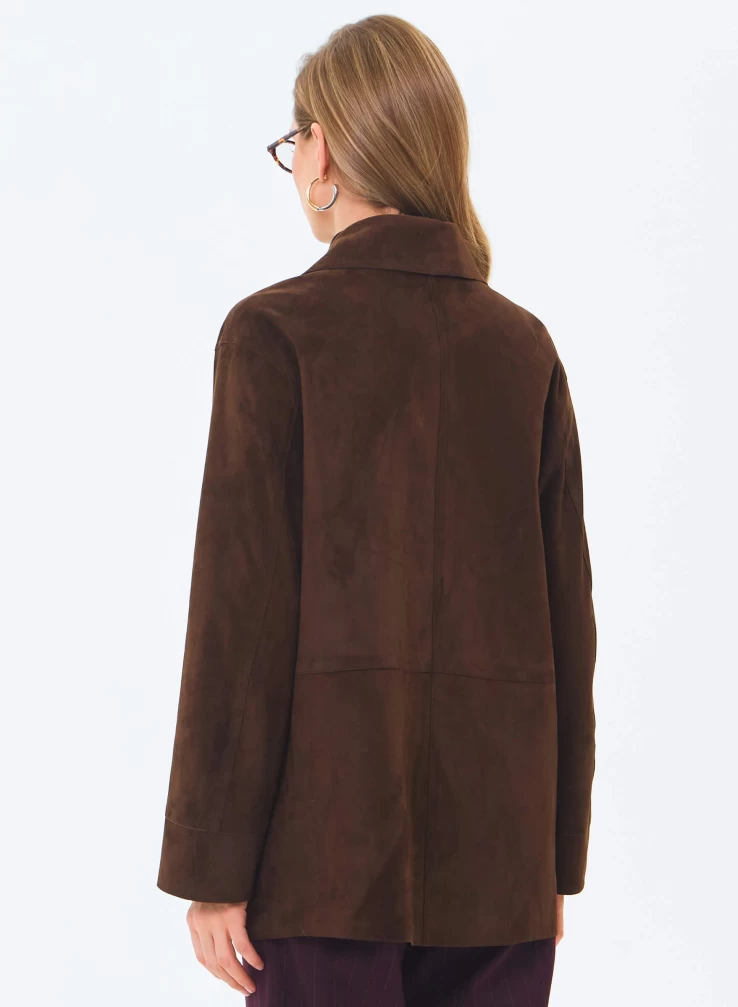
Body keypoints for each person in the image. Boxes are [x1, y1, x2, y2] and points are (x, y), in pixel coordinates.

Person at [156, 13, 597, 1006]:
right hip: (501, 865)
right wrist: (553, 858)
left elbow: (239, 622)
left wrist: (212, 870)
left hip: (321, 868)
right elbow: (569, 624)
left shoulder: (274, 334)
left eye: (294, 143)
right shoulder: (523, 348)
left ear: (322, 151)